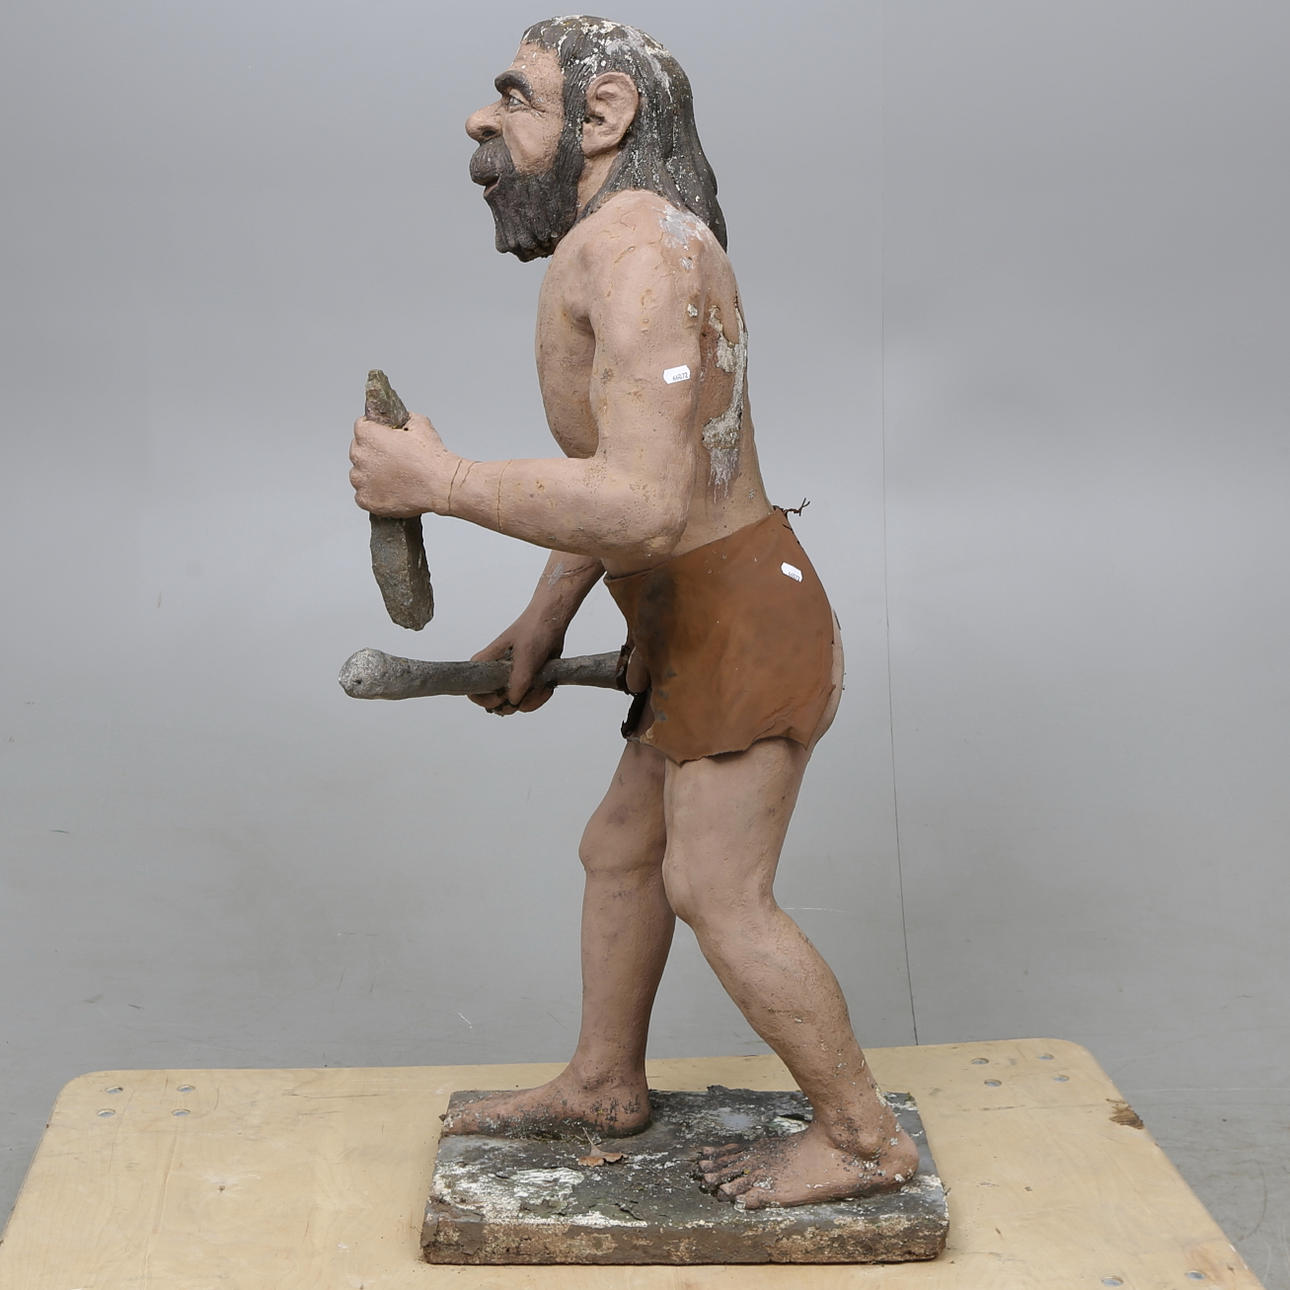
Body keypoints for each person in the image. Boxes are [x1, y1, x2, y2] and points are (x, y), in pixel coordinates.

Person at [348, 15, 917, 1209]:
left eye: (515, 96)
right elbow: (625, 480)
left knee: (718, 894)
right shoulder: (620, 243)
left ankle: (864, 1140)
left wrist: (439, 483)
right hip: (686, 622)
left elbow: (647, 505)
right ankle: (605, 1080)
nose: (479, 120)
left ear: (603, 116)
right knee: (621, 851)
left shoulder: (641, 252)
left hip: (740, 626)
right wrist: (546, 619)